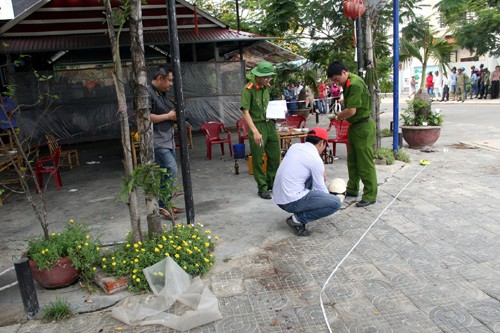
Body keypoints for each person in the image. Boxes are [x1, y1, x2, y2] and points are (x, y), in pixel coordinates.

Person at [273, 127, 342, 236]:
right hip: (290, 201)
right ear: (321, 143)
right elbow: (321, 190)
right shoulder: (315, 159)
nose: (323, 149)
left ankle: (300, 210)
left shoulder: (295, 147)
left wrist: (319, 173)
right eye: (325, 146)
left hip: (278, 197)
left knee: (312, 176)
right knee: (336, 203)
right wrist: (332, 197)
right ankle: (297, 219)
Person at [327, 61, 377, 207]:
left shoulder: (354, 84)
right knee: (353, 161)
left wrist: (337, 116)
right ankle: (353, 189)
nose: (336, 83)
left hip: (363, 126)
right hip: (355, 126)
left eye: (337, 79)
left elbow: (351, 111)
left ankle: (370, 194)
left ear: (344, 72)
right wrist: (345, 100)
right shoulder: (350, 82)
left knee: (364, 163)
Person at [148, 65, 184, 220]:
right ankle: (162, 206)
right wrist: (168, 117)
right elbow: (145, 117)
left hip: (167, 139)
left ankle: (166, 203)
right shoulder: (146, 93)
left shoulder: (161, 94)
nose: (170, 84)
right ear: (160, 78)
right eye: (169, 80)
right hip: (157, 141)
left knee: (167, 173)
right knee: (171, 169)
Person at [241, 62, 281, 200]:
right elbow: (245, 112)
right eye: (266, 77)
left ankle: (272, 183)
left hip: (269, 124)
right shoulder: (249, 89)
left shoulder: (266, 88)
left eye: (270, 77)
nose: (269, 80)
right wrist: (255, 131)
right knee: (258, 159)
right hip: (257, 126)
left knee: (275, 155)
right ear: (258, 76)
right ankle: (262, 187)